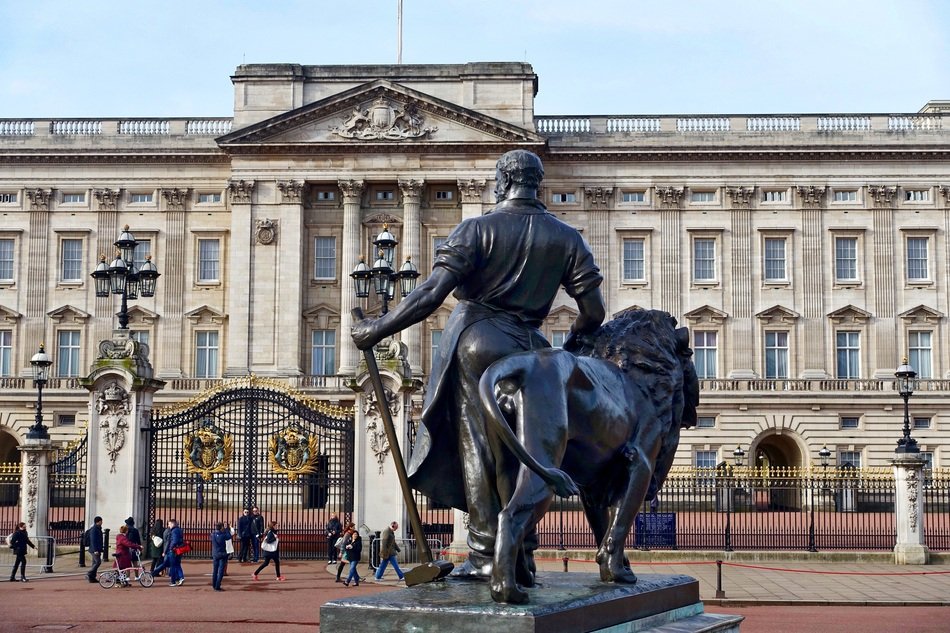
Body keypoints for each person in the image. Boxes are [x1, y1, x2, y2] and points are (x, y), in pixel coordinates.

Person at [352, 149, 605, 578]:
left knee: (479, 446)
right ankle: (520, 552)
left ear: (502, 182)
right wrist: (573, 346)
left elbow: (431, 294)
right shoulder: (567, 238)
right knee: (522, 453)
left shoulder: (476, 229)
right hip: (532, 348)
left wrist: (375, 329)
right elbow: (594, 312)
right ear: (536, 184)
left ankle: (487, 556)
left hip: (478, 340)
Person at [154, 518, 185, 587]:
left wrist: (170, 548)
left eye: (169, 524)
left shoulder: (174, 531)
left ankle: (173, 581)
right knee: (177, 564)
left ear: (172, 524)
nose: (168, 525)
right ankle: (181, 577)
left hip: (173, 551)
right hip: (177, 550)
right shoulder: (179, 530)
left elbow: (174, 541)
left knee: (172, 565)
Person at [210, 522, 231, 591]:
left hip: (215, 553)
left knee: (215, 570)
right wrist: (226, 529)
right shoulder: (223, 535)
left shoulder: (212, 534)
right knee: (221, 571)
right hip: (222, 554)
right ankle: (217, 586)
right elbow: (229, 537)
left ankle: (214, 584)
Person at [85, 516, 104, 583]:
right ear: (98, 522)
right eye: (101, 521)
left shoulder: (98, 528)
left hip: (97, 548)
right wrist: (95, 550)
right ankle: (89, 573)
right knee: (98, 562)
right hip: (94, 549)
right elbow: (93, 540)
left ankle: (92, 577)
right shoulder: (94, 529)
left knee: (94, 563)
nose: (102, 522)